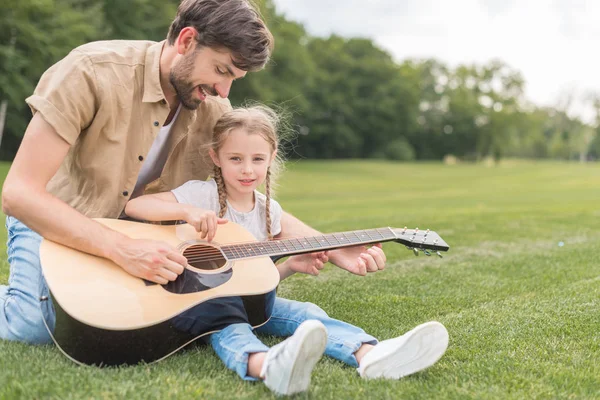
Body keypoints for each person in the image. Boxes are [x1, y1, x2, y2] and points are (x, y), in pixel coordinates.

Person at [0, 0, 388, 346]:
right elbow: (19, 194)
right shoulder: (90, 71)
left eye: (234, 77)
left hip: (148, 239)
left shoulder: (214, 109)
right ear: (186, 40)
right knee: (35, 326)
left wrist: (332, 246)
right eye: (221, 70)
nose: (223, 89)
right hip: (57, 221)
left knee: (131, 322)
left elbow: (255, 202)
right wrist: (120, 249)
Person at [124, 105, 449, 396]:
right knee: (231, 329)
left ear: (272, 155)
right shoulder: (200, 195)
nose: (247, 169)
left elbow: (255, 286)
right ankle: (267, 366)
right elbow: (137, 205)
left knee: (308, 312)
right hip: (198, 305)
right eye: (235, 159)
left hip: (245, 302)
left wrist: (292, 265)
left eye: (257, 159)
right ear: (215, 158)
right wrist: (188, 213)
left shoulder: (270, 212)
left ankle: (369, 354)